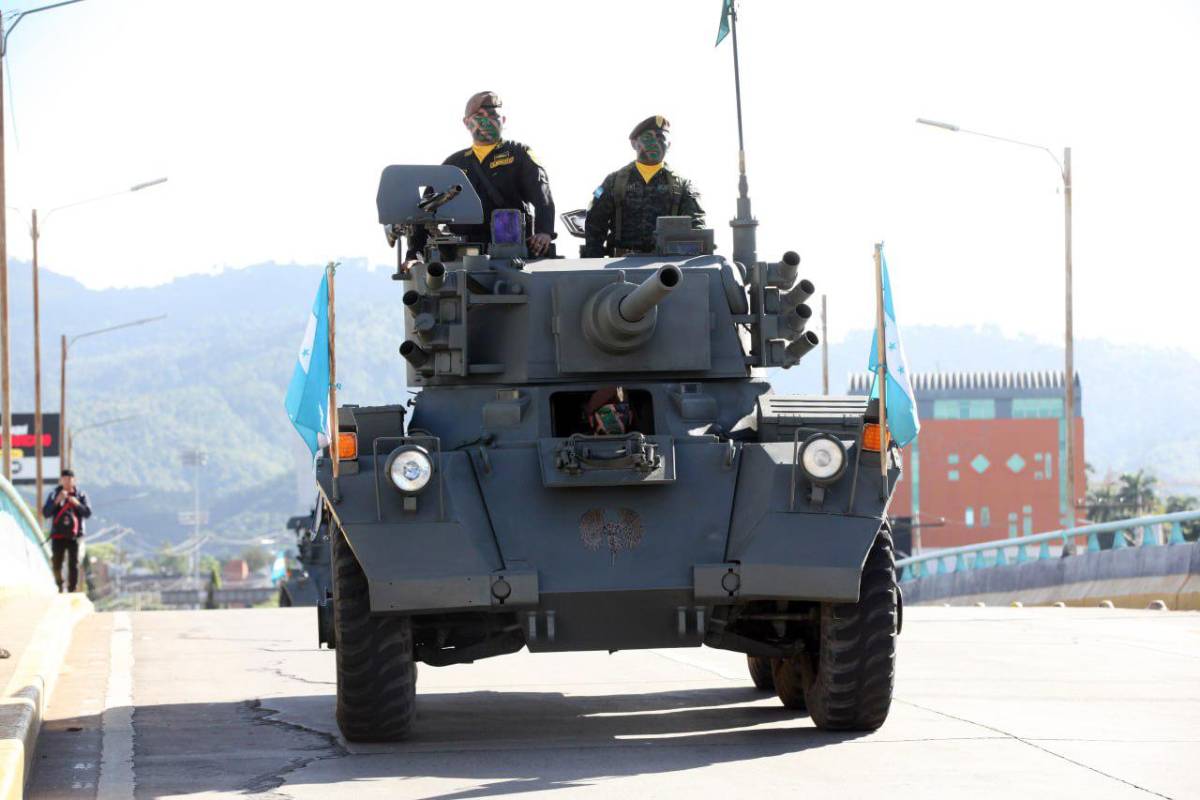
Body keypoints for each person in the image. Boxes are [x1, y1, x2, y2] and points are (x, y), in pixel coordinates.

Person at [406, 91, 556, 259]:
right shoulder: (454, 164)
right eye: (479, 116)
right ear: (466, 122)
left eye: (492, 115)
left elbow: (543, 198)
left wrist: (545, 232)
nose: (486, 121)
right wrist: (414, 255)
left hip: (511, 251)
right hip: (461, 254)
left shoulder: (519, 154)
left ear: (503, 120)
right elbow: (424, 210)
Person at [583, 115, 705, 257]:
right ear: (634, 143)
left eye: (661, 138)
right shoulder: (613, 181)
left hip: (665, 268)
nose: (654, 143)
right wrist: (595, 265)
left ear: (669, 145)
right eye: (647, 138)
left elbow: (696, 229)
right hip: (619, 266)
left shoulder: (683, 186)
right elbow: (594, 224)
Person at [42, 468, 92, 593]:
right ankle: (60, 585)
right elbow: (46, 513)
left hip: (74, 535)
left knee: (73, 564)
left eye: (69, 479)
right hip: (57, 535)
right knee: (56, 563)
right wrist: (57, 501)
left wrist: (77, 504)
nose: (67, 482)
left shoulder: (81, 495)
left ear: (74, 480)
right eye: (64, 479)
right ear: (61, 480)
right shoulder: (54, 494)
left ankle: (72, 589)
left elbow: (87, 513)